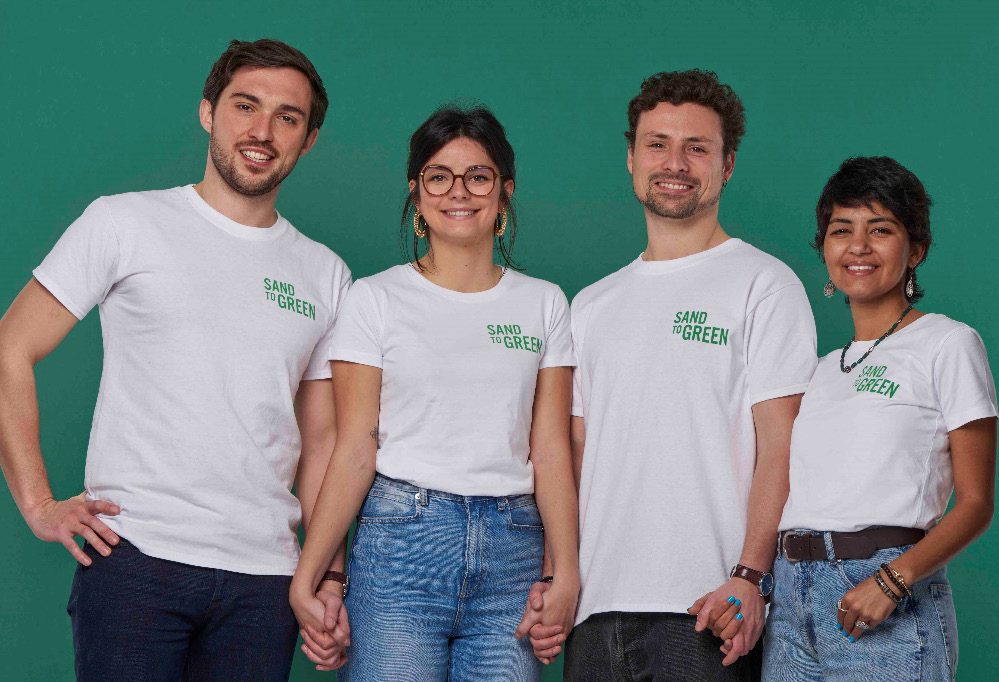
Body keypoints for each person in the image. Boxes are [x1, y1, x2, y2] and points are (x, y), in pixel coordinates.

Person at [0, 38, 352, 680]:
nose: (263, 131)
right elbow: (10, 347)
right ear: (208, 111)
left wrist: (327, 572)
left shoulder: (326, 275)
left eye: (288, 117)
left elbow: (323, 437)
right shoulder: (124, 223)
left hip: (265, 581)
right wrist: (39, 503)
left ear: (310, 139)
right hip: (137, 561)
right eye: (246, 106)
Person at [527, 69, 818, 679]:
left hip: (709, 607)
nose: (675, 162)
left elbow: (782, 446)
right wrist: (557, 573)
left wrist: (750, 577)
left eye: (697, 148)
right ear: (631, 158)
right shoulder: (592, 305)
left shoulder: (764, 285)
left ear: (727, 164)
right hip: (596, 610)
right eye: (658, 144)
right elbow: (573, 455)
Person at [289, 105, 580, 680]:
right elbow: (354, 446)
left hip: (513, 552)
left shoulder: (545, 304)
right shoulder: (374, 300)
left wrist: (564, 571)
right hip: (400, 544)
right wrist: (311, 573)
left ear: (504, 192)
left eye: (478, 176)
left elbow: (550, 451)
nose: (459, 192)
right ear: (417, 192)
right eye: (439, 176)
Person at [763, 156, 997, 681]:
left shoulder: (947, 343)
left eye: (881, 229)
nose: (858, 246)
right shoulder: (821, 370)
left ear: (916, 249)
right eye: (841, 230)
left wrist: (894, 581)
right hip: (791, 594)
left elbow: (977, 503)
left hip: (884, 589)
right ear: (824, 248)